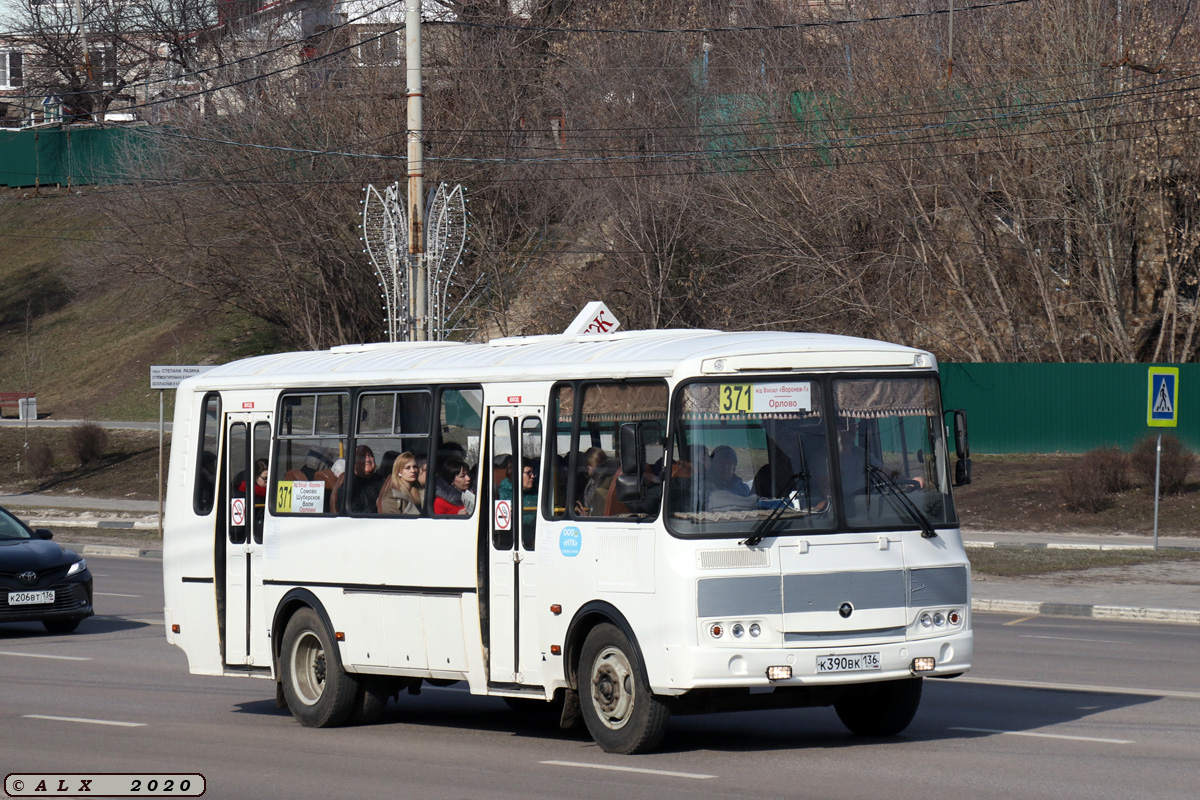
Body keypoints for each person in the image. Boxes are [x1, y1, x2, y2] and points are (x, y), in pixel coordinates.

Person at [348, 445, 383, 514]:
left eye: (370, 456)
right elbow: (355, 515)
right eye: (362, 457)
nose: (368, 460)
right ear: (353, 462)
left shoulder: (383, 481)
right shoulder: (349, 487)